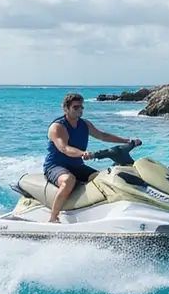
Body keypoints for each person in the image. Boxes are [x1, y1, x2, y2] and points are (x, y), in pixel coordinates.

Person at [43, 92, 142, 223]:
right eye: (76, 107)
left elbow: (103, 136)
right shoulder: (58, 127)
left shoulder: (85, 124)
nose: (80, 110)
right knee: (68, 180)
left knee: (103, 178)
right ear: (66, 109)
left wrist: (127, 141)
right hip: (56, 166)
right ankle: (53, 218)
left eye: (82, 107)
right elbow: (64, 148)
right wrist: (82, 154)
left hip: (77, 166)